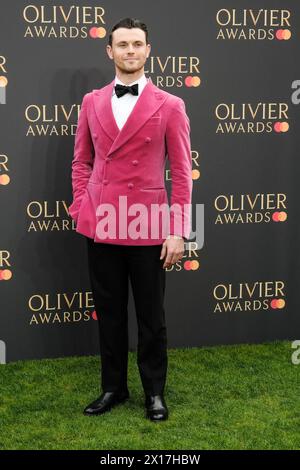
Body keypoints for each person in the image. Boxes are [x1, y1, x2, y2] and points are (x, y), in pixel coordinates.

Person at [68, 17, 192, 421]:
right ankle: (113, 388)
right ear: (110, 51)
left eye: (137, 44)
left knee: (151, 318)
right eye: (122, 45)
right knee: (110, 313)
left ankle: (154, 392)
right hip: (102, 222)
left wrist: (178, 230)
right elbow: (80, 162)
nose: (130, 51)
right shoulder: (91, 101)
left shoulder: (171, 105)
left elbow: (182, 173)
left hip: (147, 222)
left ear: (148, 50)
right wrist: (82, 206)